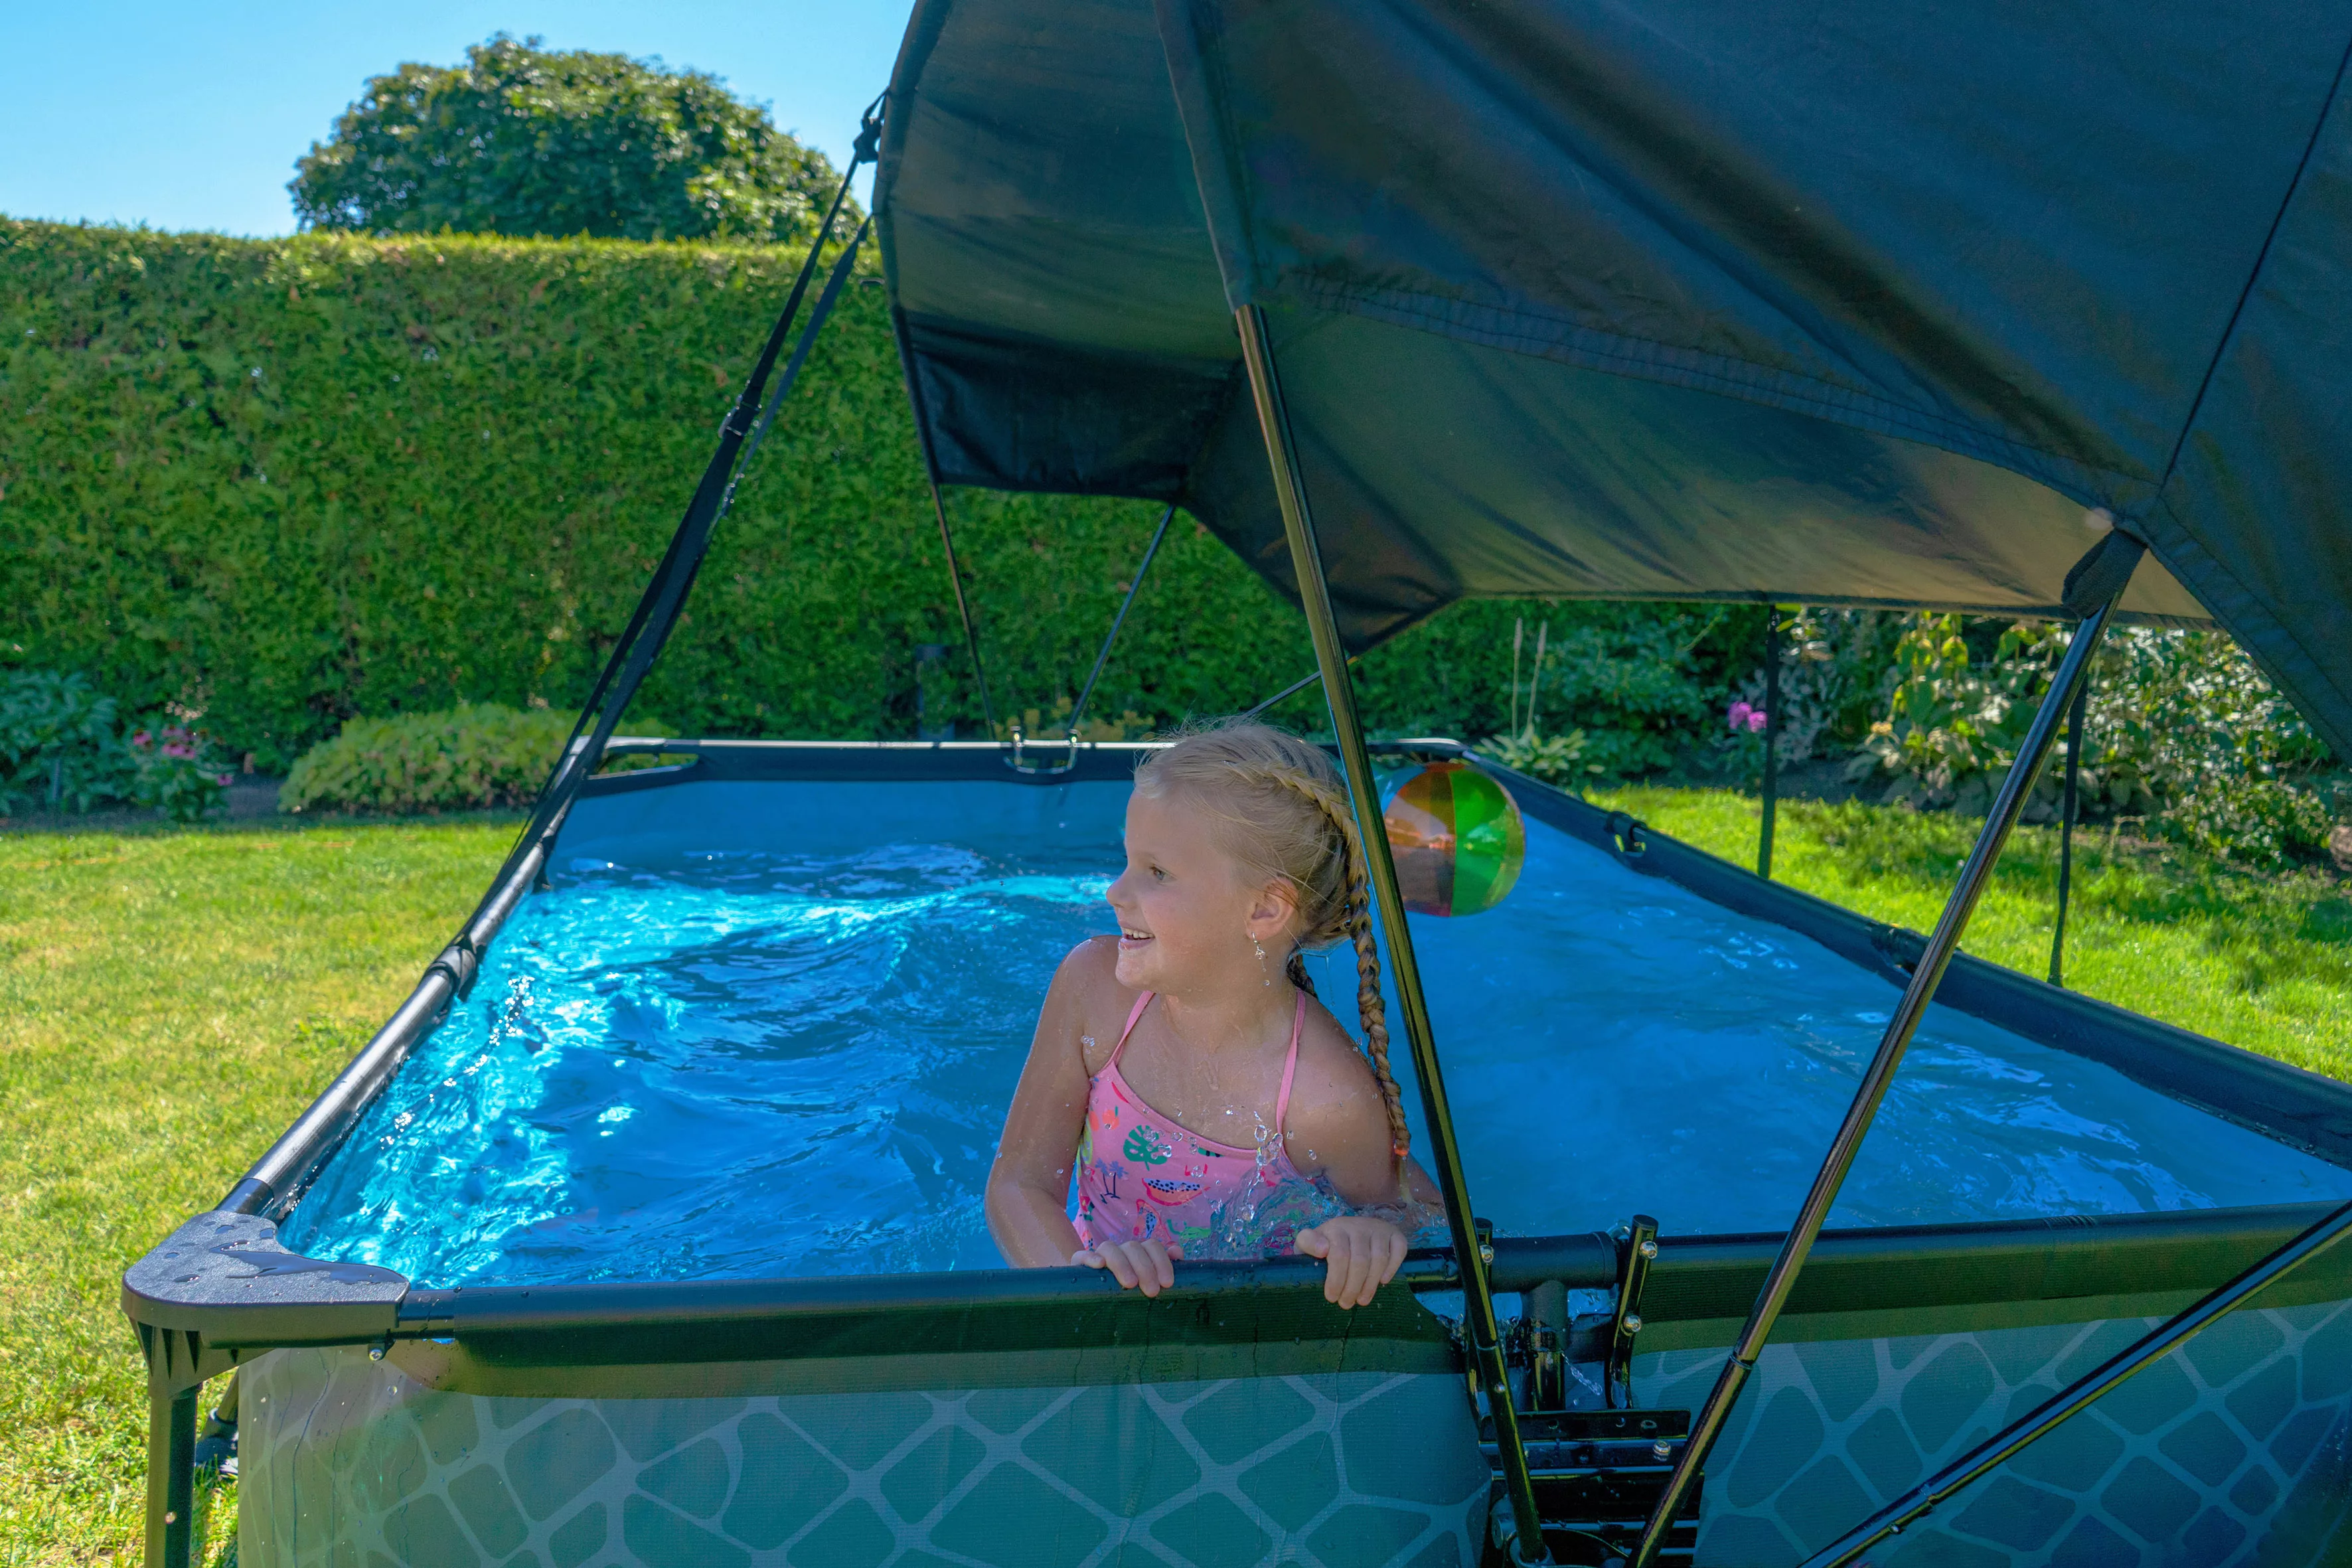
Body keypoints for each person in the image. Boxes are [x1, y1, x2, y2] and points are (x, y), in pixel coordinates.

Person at [986, 720, 1441, 1308]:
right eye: (1127, 861)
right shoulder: (1092, 991)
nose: (1114, 893)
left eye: (1156, 873)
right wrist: (1084, 1286)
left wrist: (1377, 1235)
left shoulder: (1322, 1097)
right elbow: (1019, 1183)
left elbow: (1426, 1217)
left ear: (1262, 909)